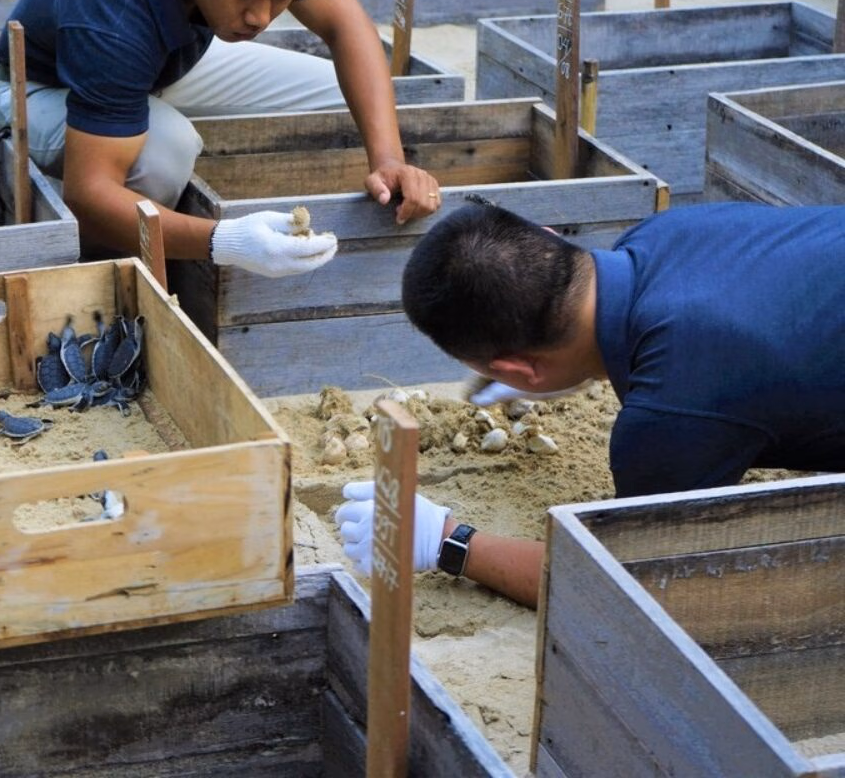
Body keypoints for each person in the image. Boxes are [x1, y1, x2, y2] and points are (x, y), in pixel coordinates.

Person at [336, 200, 845, 608]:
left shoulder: (667, 417)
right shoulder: (666, 231)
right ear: (551, 234)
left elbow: (625, 585)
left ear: (520, 371)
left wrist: (449, 543)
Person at [0, 0, 441, 277]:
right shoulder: (114, 5)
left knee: (336, 91)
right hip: (44, 89)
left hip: (161, 66)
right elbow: (89, 194)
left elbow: (349, 28)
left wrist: (388, 160)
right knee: (165, 150)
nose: (261, 18)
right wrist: (225, 240)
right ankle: (118, 277)